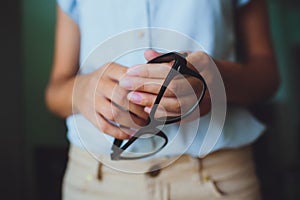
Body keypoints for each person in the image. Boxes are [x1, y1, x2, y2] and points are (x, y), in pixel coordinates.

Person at [45, 0, 280, 199]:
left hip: (217, 179)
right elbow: (55, 92)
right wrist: (82, 90)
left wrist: (216, 80)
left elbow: (268, 77)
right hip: (95, 182)